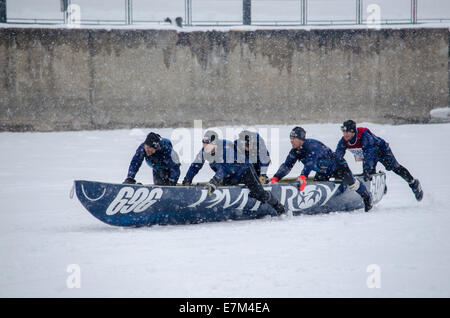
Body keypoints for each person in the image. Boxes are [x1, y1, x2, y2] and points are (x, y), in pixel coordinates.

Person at [182, 130, 286, 215]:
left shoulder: (226, 148)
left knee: (259, 193)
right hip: (229, 175)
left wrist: (215, 181)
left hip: (245, 171)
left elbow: (225, 167)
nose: (205, 146)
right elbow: (195, 165)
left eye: (207, 144)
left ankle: (278, 206)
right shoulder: (204, 151)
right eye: (203, 143)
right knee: (225, 191)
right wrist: (187, 180)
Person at [270, 126, 373, 212]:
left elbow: (310, 163)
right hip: (323, 171)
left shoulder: (312, 146)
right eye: (290, 138)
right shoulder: (295, 151)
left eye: (293, 138)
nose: (291, 140)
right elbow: (287, 166)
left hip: (338, 167)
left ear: (301, 139)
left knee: (352, 184)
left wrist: (303, 176)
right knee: (318, 188)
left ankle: (367, 197)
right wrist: (275, 178)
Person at [336, 120, 423, 201]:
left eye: (347, 132)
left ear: (353, 132)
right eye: (344, 132)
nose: (345, 134)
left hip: (382, 151)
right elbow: (337, 156)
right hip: (367, 155)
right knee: (368, 175)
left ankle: (413, 183)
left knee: (395, 168)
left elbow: (369, 155)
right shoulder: (343, 141)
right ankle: (381, 186)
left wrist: (367, 170)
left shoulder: (365, 136)